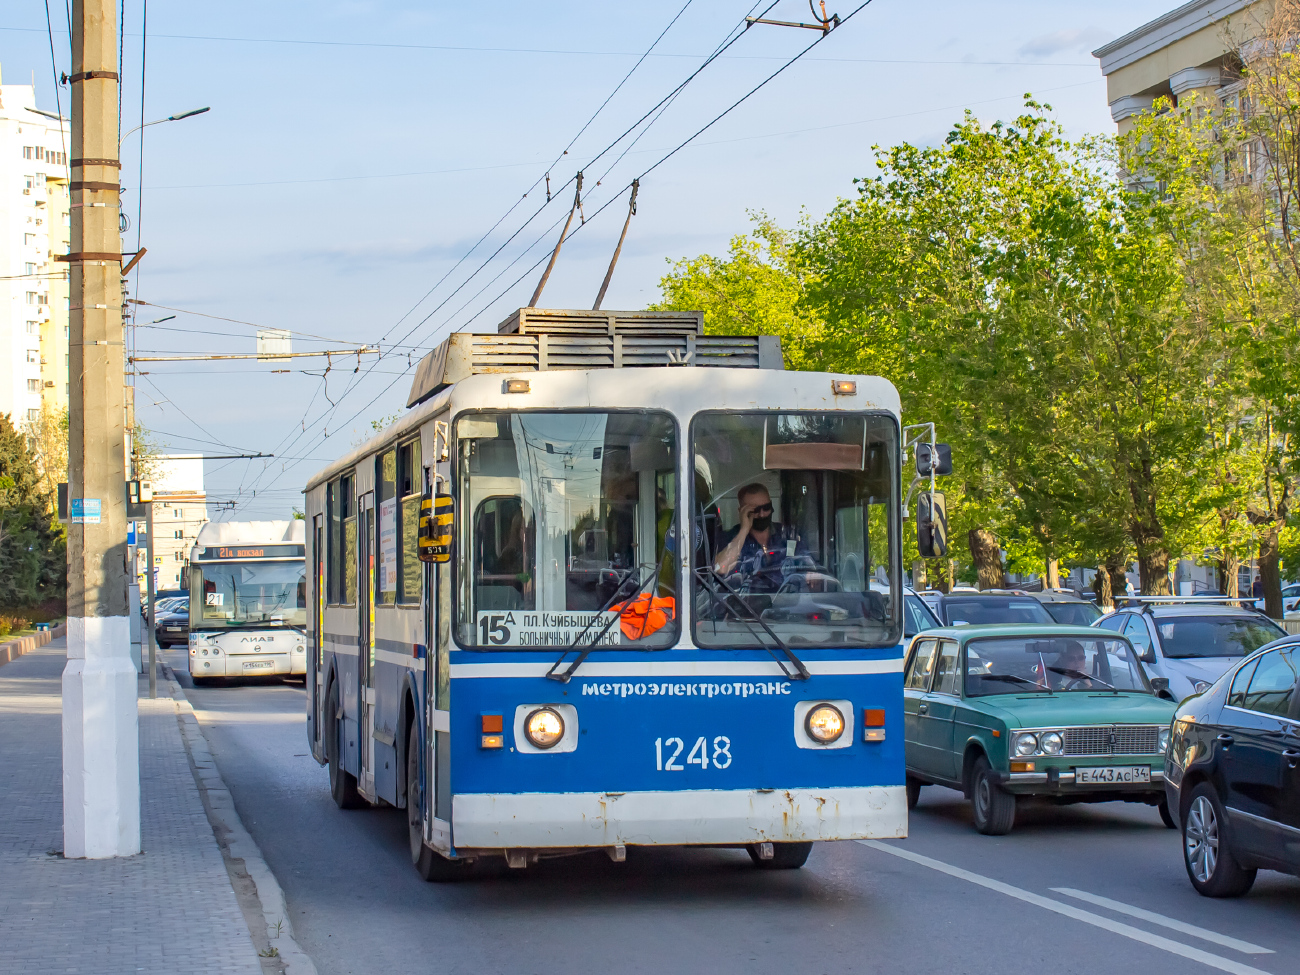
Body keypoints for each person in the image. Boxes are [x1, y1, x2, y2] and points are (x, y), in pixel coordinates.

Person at [713, 483, 809, 593]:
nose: (762, 514)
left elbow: (808, 568)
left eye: (766, 508)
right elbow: (720, 569)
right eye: (755, 510)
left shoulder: (788, 534)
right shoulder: (730, 538)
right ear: (742, 512)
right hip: (744, 602)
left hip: (786, 600)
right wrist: (744, 530)